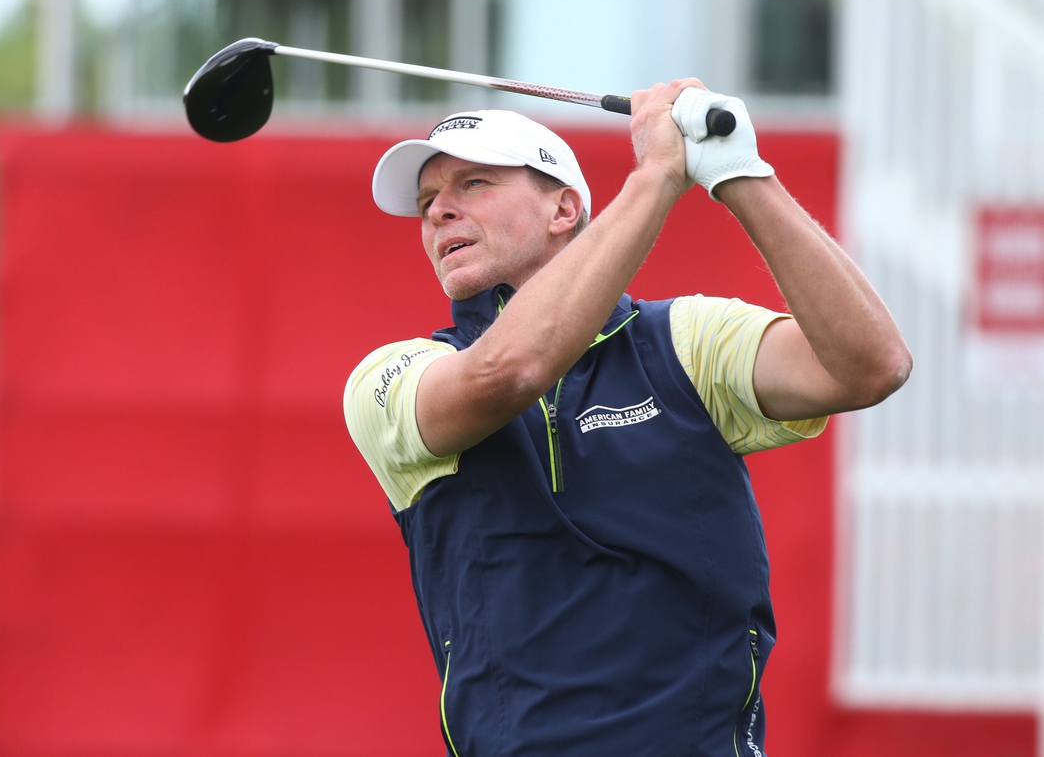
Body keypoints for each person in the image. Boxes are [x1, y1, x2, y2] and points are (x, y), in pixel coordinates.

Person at [343, 80, 911, 756]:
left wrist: (739, 174)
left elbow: (872, 364)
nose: (439, 212)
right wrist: (657, 177)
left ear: (564, 208)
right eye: (427, 201)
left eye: (472, 184)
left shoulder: (686, 341)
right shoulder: (391, 377)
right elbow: (509, 372)